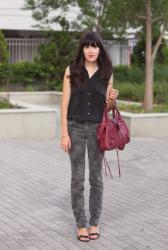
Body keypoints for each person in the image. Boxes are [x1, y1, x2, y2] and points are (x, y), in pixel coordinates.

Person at [60, 31, 119, 242]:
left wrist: (112, 99)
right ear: (82, 49)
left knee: (96, 179)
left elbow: (108, 108)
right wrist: (64, 133)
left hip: (97, 129)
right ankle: (80, 224)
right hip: (74, 128)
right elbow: (64, 104)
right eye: (87, 46)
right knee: (77, 179)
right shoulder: (71, 71)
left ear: (100, 49)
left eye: (95, 46)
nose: (91, 50)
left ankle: (94, 222)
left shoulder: (107, 73)